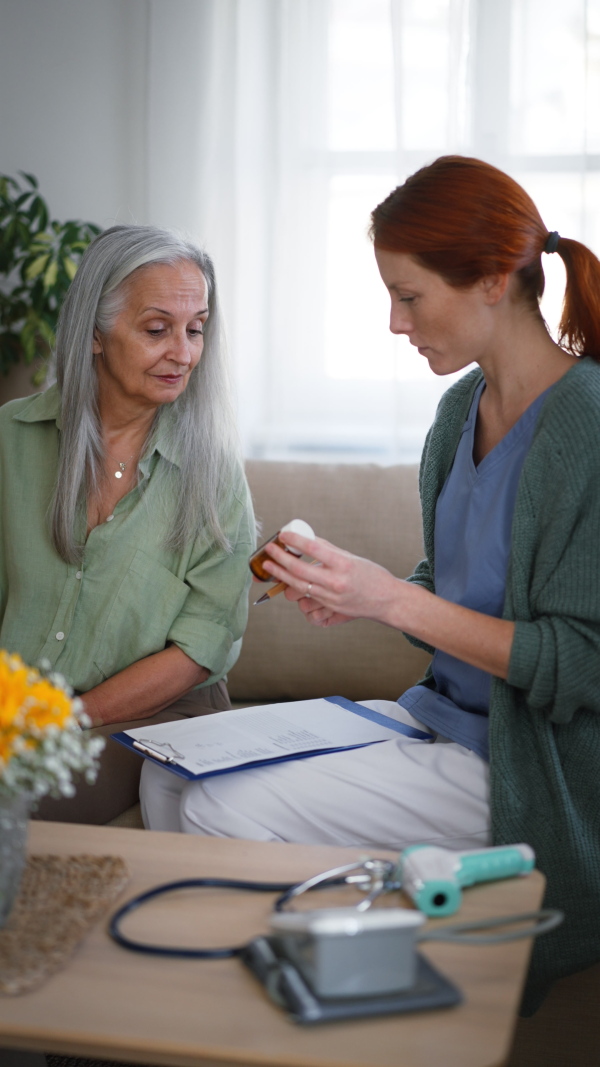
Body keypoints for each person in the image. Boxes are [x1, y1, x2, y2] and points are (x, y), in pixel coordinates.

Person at [140, 157, 600, 1008]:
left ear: (496, 279)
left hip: (529, 768)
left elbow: (581, 662)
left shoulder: (589, 426)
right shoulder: (459, 413)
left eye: (410, 295)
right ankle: (194, 1021)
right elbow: (443, 597)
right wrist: (357, 591)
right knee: (166, 775)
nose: (395, 322)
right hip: (434, 725)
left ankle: (287, 1017)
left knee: (219, 813)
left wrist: (391, 598)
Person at [0, 225, 256, 824]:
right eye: (157, 328)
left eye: (196, 329)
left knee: (22, 799)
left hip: (154, 718)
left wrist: (60, 721)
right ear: (94, 333)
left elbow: (201, 648)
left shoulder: (213, 473)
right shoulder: (11, 438)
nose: (184, 352)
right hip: (18, 711)